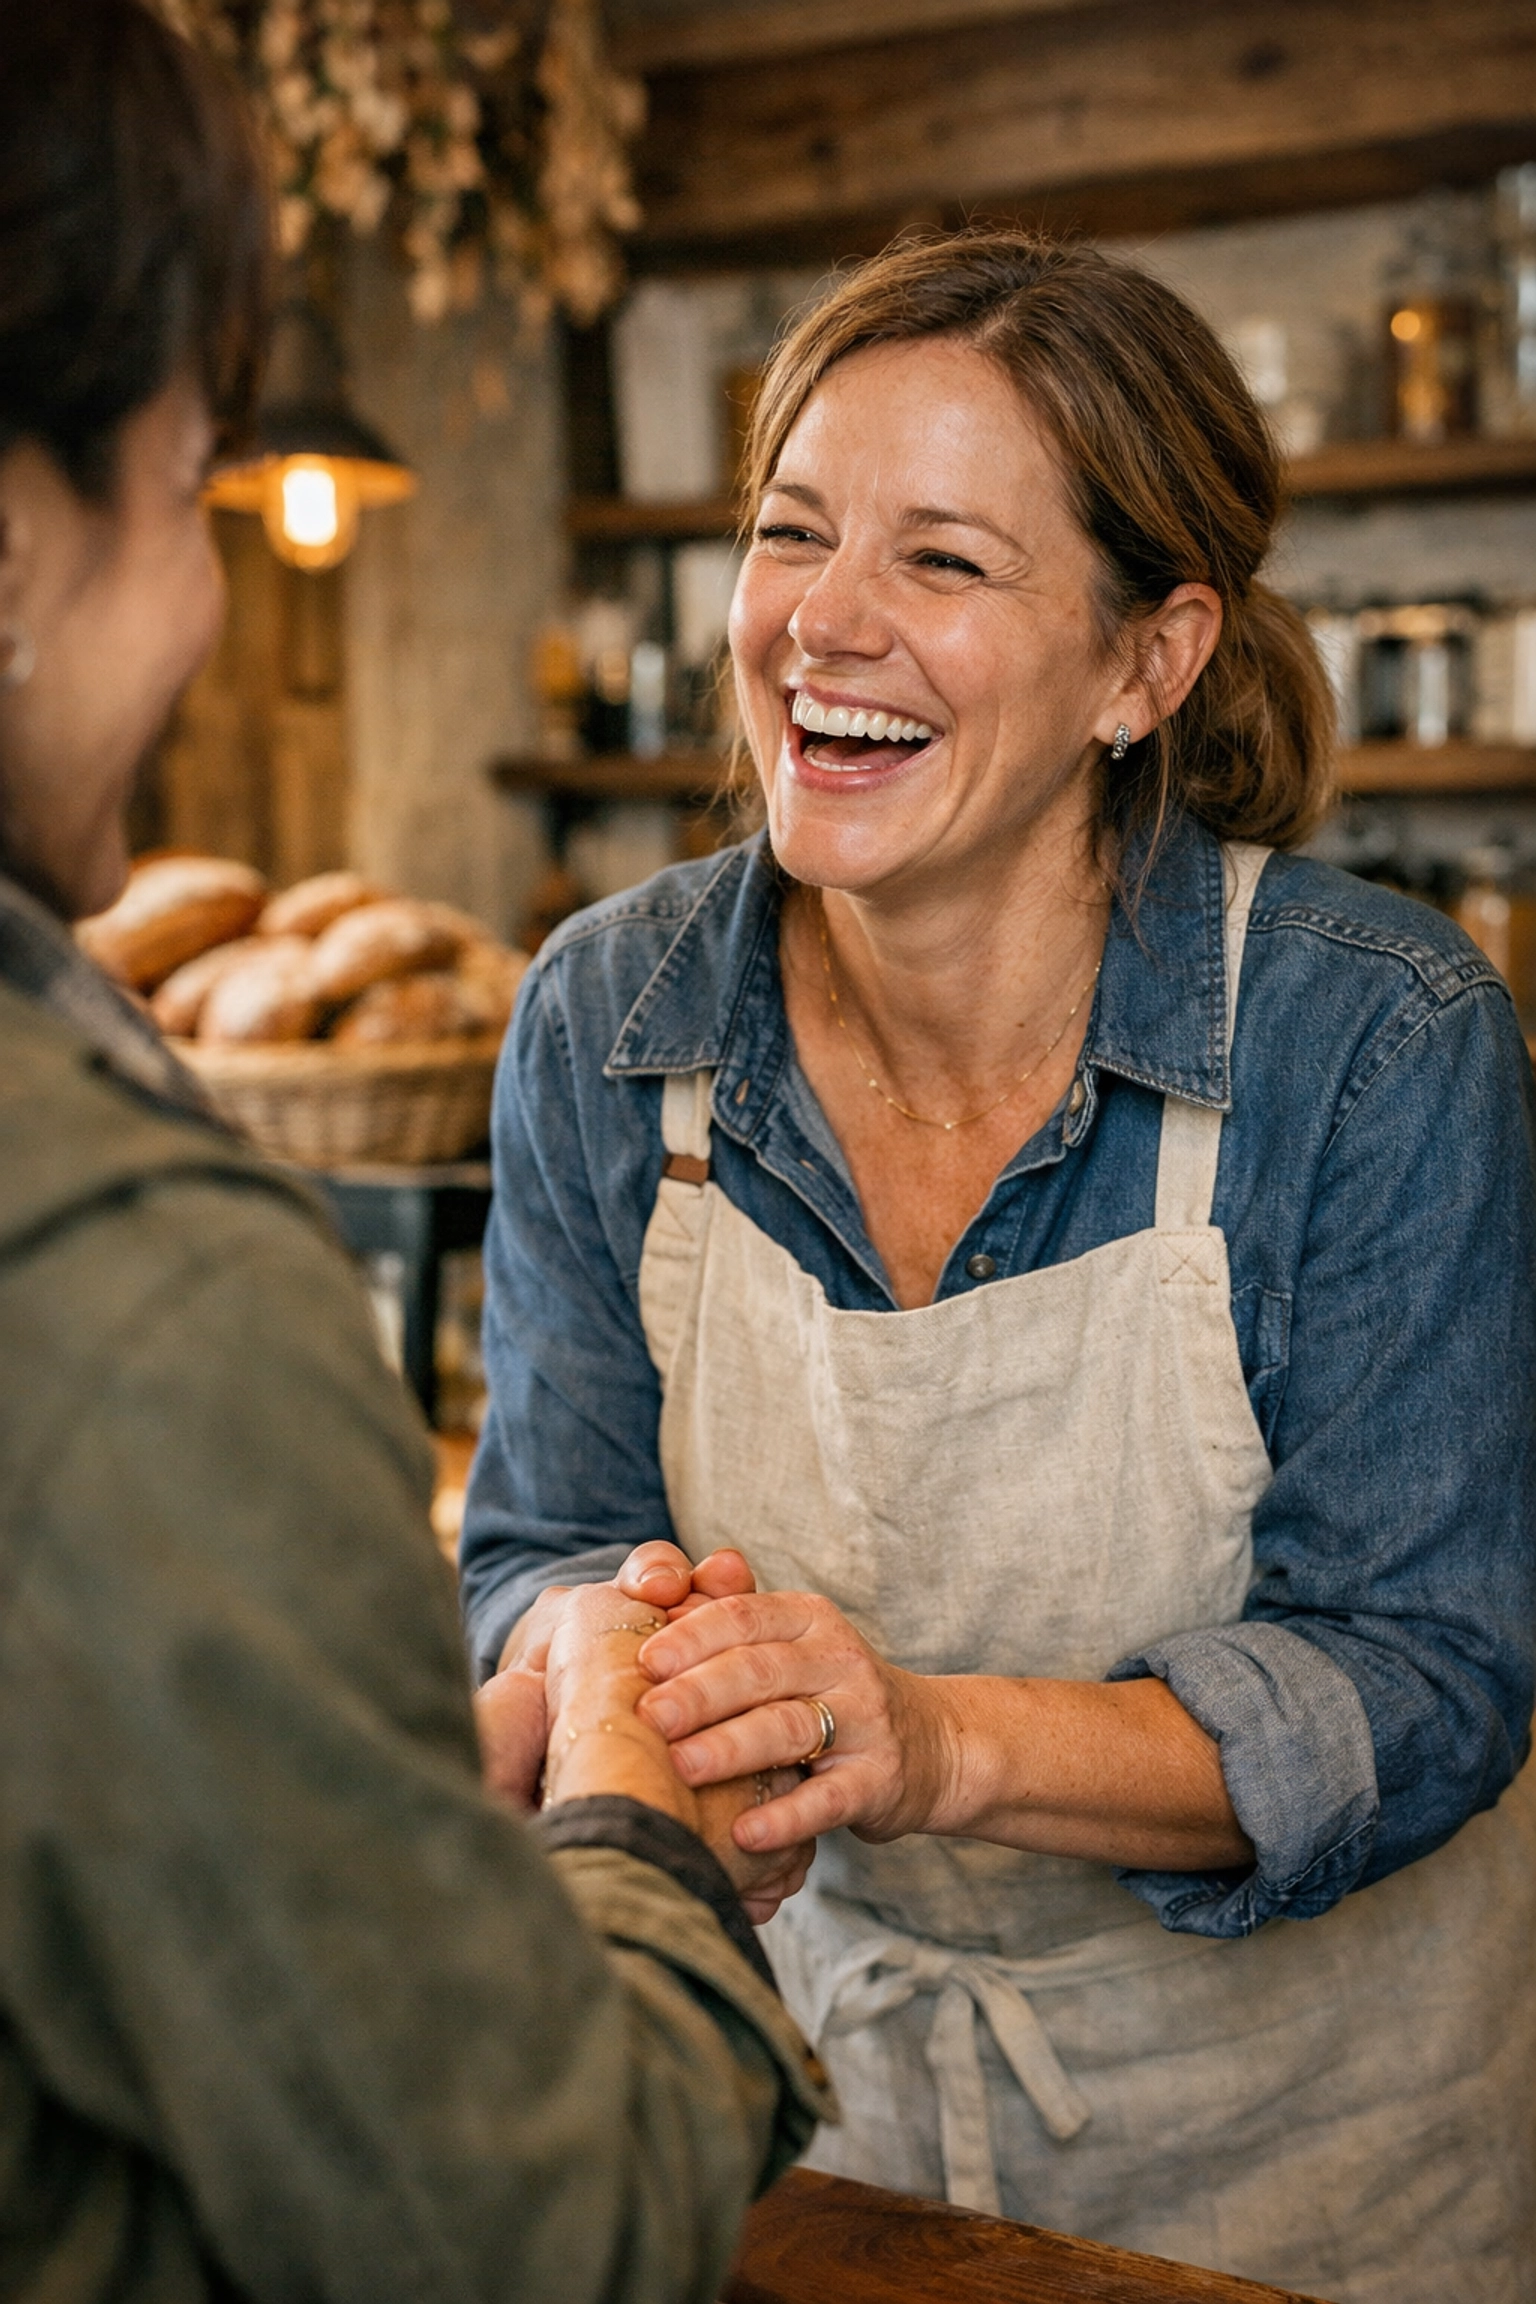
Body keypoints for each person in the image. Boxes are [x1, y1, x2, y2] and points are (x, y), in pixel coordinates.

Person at [463, 230, 1536, 2302]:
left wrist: (933, 1744)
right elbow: (537, 1547)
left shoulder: (1377, 1042)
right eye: (791, 535)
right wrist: (635, 1685)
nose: (821, 625)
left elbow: (1434, 1672)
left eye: (945, 562)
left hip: (1305, 2182)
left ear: (1149, 662)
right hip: (816, 2138)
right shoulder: (610, 1018)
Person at [0, 7, 828, 2300]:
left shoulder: (1379, 1035)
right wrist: (632, 1839)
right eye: (188, 496)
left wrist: (356, 1809)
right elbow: (521, 2230)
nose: (203, 603)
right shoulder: (127, 1275)